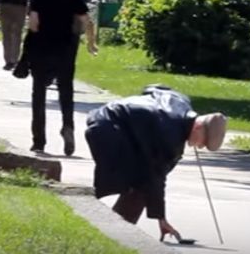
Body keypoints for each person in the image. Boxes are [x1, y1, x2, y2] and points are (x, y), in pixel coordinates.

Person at [84, 85, 227, 240]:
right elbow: (156, 177)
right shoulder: (170, 135)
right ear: (198, 127)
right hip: (107, 127)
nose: (200, 146)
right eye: (203, 142)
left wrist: (160, 217)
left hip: (120, 126)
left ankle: (114, 227)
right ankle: (112, 230)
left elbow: (155, 88)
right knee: (129, 183)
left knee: (140, 184)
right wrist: (161, 217)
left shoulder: (181, 103)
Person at [27, 0, 88, 156]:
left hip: (42, 48)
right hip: (65, 48)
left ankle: (39, 140)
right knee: (66, 90)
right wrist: (78, 34)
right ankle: (68, 126)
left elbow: (34, 23)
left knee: (39, 93)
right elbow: (84, 19)